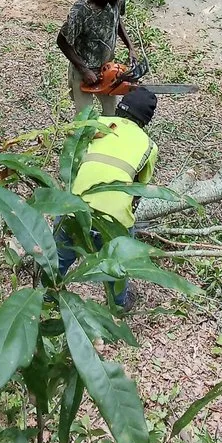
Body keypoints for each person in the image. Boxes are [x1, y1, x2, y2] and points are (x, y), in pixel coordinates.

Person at [55, 86, 159, 310]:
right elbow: (137, 190)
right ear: (146, 120)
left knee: (58, 260)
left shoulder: (95, 123)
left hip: (72, 208)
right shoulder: (148, 145)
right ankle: (118, 305)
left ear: (121, 107)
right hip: (112, 223)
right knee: (116, 265)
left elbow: (70, 158)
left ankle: (46, 295)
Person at [57, 0, 136, 117]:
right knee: (85, 120)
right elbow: (62, 41)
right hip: (83, 71)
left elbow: (117, 20)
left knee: (111, 116)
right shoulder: (81, 12)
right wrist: (84, 70)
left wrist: (130, 47)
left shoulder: (117, 0)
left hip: (107, 69)